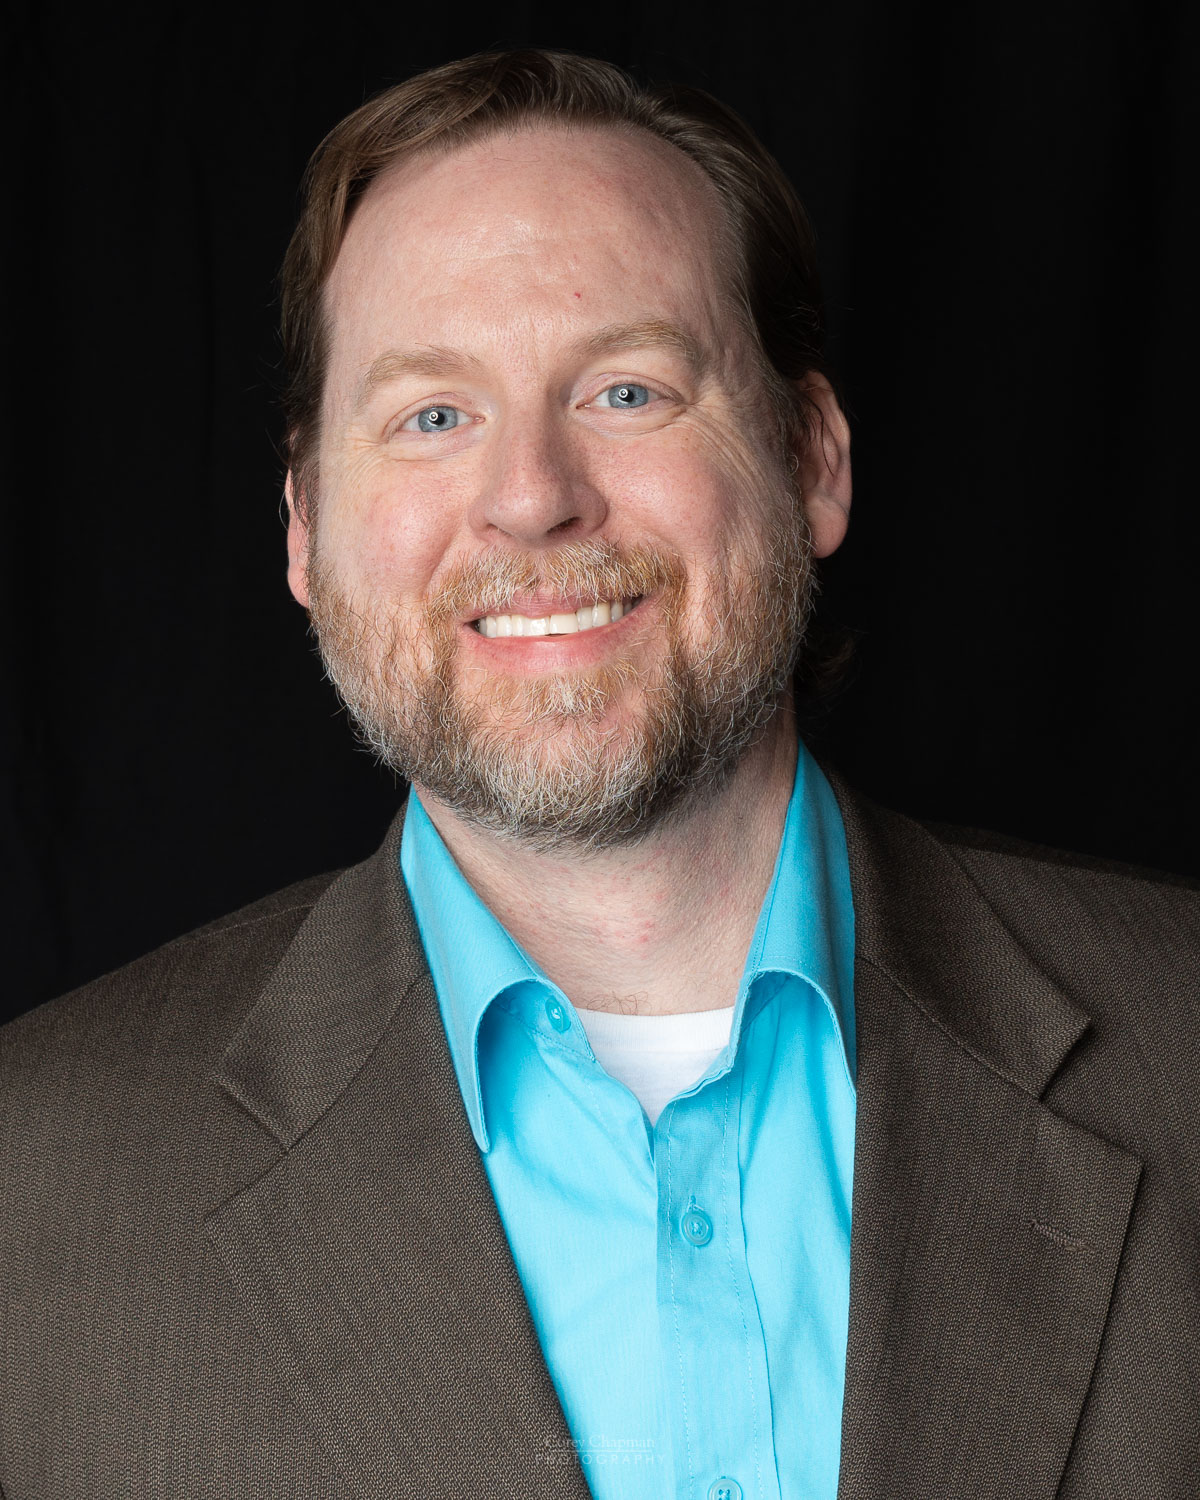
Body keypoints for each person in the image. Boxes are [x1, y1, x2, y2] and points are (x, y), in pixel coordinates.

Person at [1, 48, 1196, 1500]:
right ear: (305, 529)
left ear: (812, 458)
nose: (530, 496)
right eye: (433, 415)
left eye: (627, 390)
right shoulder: (32, 1187)